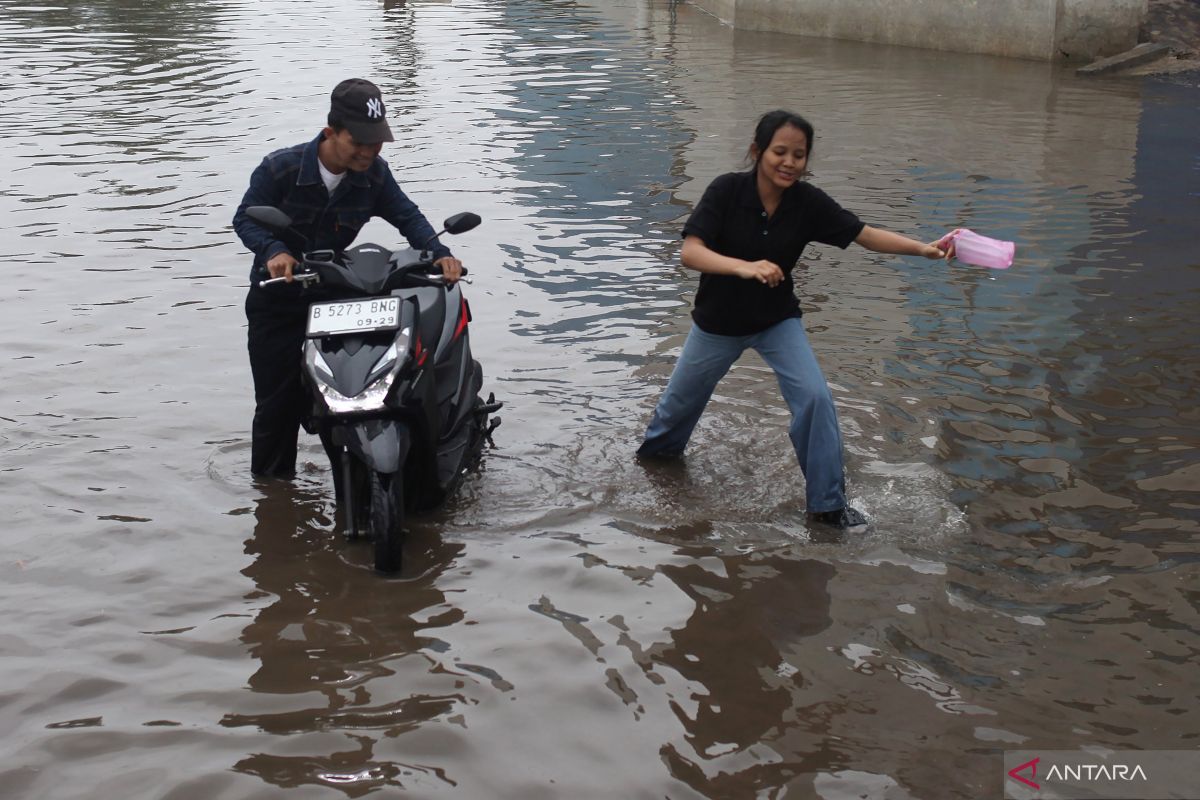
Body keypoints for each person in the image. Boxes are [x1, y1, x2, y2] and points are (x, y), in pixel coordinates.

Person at [637, 109, 951, 529]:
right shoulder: (727, 191)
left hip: (776, 321)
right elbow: (691, 252)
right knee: (669, 429)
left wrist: (924, 249)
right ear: (757, 151)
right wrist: (744, 267)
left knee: (816, 399)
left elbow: (864, 234)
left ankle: (827, 507)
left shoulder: (807, 203)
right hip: (718, 324)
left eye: (799, 155)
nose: (789, 163)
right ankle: (655, 476)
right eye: (779, 152)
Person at [233, 78, 463, 479]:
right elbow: (245, 219)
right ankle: (273, 497)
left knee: (352, 395)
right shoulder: (280, 168)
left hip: (335, 299)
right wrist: (274, 252)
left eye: (375, 143)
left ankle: (359, 486)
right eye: (358, 142)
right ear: (330, 133)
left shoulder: (374, 174)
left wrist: (440, 254)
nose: (368, 152)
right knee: (277, 406)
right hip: (279, 301)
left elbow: (407, 215)